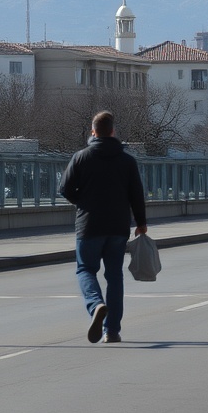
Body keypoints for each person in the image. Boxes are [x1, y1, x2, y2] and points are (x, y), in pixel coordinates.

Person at [59, 110, 148, 344]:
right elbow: (136, 194)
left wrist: (84, 202)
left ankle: (96, 304)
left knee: (85, 270)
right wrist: (141, 223)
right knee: (114, 276)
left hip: (88, 225)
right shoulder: (127, 161)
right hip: (118, 226)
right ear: (112, 131)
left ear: (93, 131)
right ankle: (112, 331)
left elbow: (65, 189)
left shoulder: (81, 157)